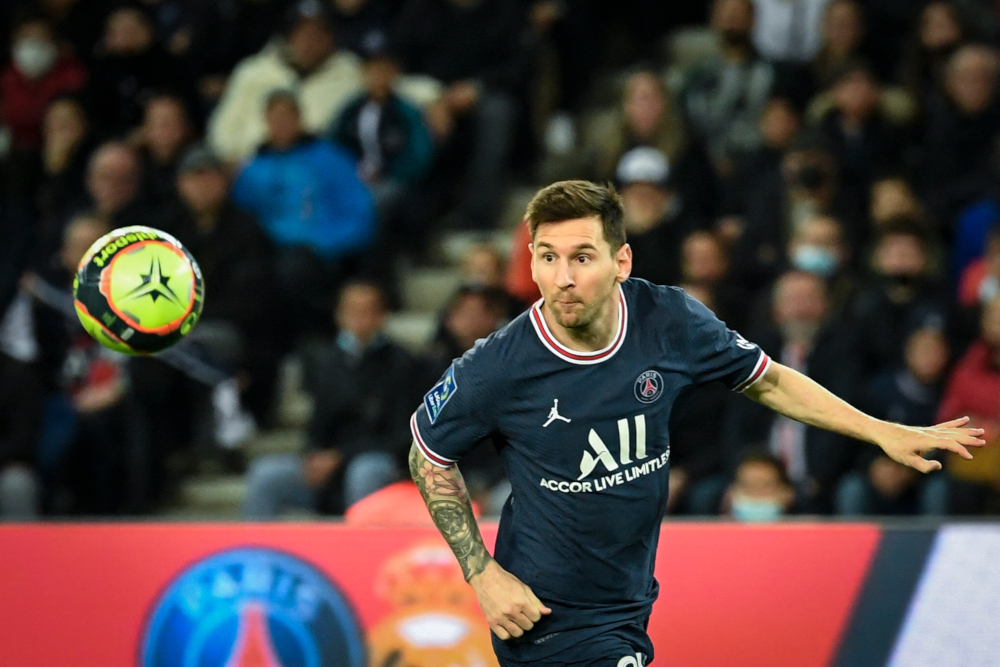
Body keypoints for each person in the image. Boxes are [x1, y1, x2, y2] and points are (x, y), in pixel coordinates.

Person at [406, 180, 984, 665]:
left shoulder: (669, 320)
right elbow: (426, 453)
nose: (561, 277)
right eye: (546, 256)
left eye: (581, 256)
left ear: (620, 261)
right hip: (547, 616)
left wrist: (881, 429)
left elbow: (769, 378)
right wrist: (482, 574)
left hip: (628, 600)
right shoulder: (499, 366)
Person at [242, 281, 418, 518]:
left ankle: (362, 550)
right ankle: (256, 551)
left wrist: (341, 456)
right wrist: (313, 456)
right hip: (330, 468)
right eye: (352, 311)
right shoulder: (328, 362)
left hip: (378, 462)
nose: (359, 318)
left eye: (367, 311)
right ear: (339, 315)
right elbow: (318, 425)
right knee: (266, 474)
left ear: (381, 316)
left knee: (364, 471)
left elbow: (402, 437)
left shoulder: (401, 363)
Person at [231, 90, 375, 340]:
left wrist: (323, 244)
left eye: (287, 116)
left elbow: (360, 213)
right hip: (271, 254)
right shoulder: (253, 170)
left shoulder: (331, 159)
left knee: (296, 273)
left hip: (325, 254)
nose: (281, 123)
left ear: (299, 117)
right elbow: (241, 218)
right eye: (275, 117)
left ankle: (314, 342)